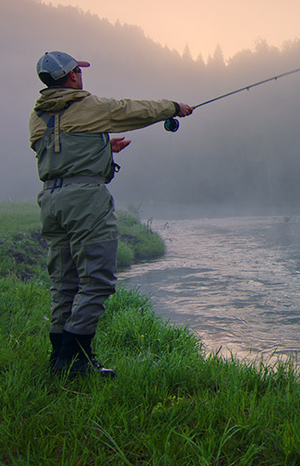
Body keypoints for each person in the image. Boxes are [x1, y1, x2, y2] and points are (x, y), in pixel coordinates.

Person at [30, 51, 194, 378]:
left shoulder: (37, 116)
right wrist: (174, 107)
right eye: (78, 71)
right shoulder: (88, 106)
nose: (81, 75)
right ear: (72, 76)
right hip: (86, 202)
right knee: (97, 280)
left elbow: (60, 151)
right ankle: (77, 360)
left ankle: (59, 360)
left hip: (50, 201)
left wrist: (103, 148)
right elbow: (131, 110)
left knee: (64, 282)